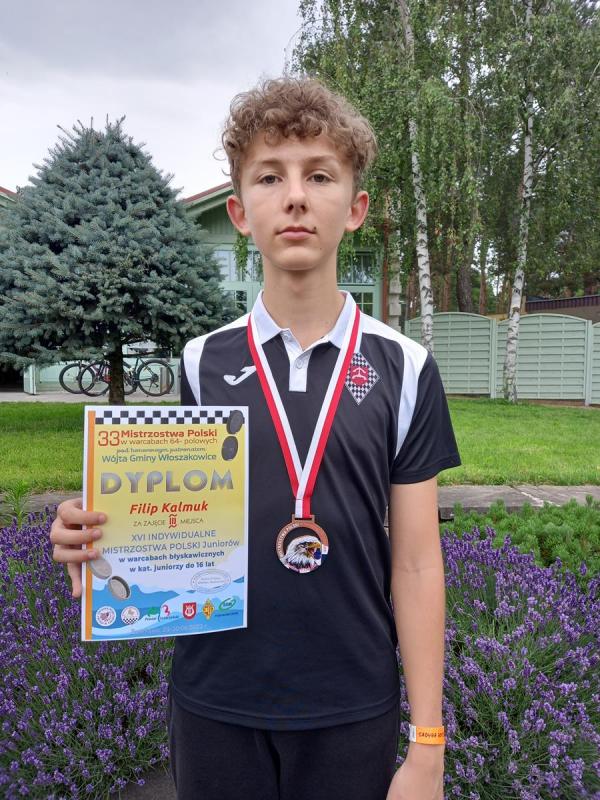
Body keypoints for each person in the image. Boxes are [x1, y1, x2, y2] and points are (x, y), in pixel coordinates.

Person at [50, 76, 461, 800]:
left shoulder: (404, 366)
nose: (295, 196)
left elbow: (420, 563)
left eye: (319, 175)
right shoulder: (201, 361)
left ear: (356, 208)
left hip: (351, 705)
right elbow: (175, 521)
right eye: (270, 176)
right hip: (216, 702)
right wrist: (102, 547)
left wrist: (428, 744)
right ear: (240, 211)